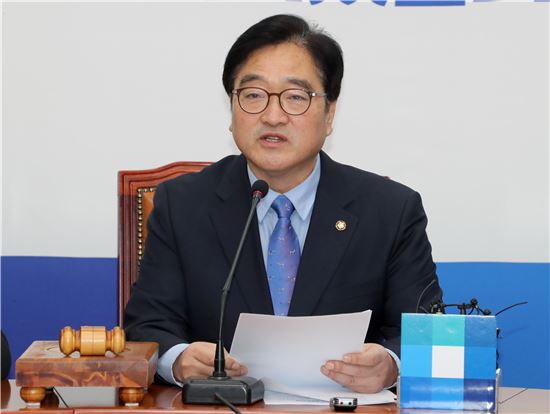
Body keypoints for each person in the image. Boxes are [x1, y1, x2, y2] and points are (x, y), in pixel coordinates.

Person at [124, 14, 442, 394]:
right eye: (253, 95)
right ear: (232, 110)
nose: (273, 116)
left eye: (295, 97)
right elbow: (148, 325)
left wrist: (391, 365)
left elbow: (424, 331)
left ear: (330, 114)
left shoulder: (390, 211)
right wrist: (178, 359)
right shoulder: (182, 205)